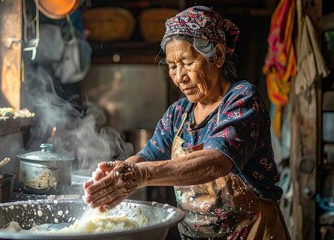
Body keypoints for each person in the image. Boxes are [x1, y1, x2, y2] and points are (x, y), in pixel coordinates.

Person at [83, 5, 290, 240]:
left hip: (254, 233)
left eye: (188, 62)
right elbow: (147, 157)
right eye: (172, 67)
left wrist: (139, 175)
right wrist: (118, 174)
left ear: (218, 55)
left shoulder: (242, 99)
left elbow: (217, 161)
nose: (180, 76)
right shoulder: (178, 113)